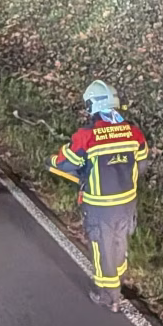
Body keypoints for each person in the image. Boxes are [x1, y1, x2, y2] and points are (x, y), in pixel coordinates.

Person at [48, 81, 150, 312]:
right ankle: (119, 281)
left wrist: (52, 161)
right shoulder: (134, 132)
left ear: (93, 104)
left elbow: (66, 163)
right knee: (120, 241)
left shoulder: (87, 136)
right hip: (127, 202)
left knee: (101, 247)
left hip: (100, 205)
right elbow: (142, 165)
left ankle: (109, 296)